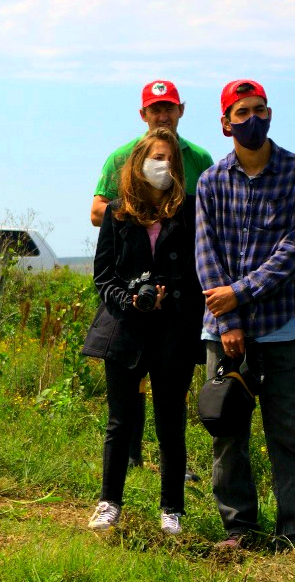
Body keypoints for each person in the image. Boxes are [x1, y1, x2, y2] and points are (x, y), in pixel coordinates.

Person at [195, 79, 295, 550]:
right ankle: (239, 530)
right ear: (225, 122)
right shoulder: (212, 181)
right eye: (242, 112)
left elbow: (293, 251)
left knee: (286, 435)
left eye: (260, 110)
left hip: (284, 326)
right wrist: (227, 321)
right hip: (223, 331)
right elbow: (205, 253)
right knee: (227, 434)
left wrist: (239, 295)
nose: (253, 119)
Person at [82, 129, 203, 535]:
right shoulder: (117, 214)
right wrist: (130, 298)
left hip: (174, 331)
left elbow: (199, 269)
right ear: (137, 164)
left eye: (169, 159)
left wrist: (171, 293)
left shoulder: (190, 211)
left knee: (171, 421)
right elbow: (103, 276)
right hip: (125, 330)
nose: (162, 166)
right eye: (155, 158)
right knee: (120, 421)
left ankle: (172, 509)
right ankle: (109, 502)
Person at [91, 80, 214, 474]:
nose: (163, 114)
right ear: (143, 114)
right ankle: (129, 455)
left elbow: (210, 214)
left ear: (181, 111)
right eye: (155, 108)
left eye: (169, 107)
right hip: (131, 283)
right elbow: (97, 211)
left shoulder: (199, 157)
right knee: (131, 375)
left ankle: (171, 464)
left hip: (180, 290)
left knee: (172, 385)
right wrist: (141, 207)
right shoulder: (122, 157)